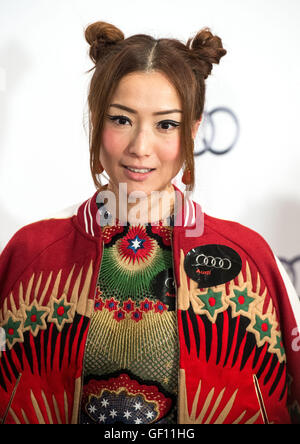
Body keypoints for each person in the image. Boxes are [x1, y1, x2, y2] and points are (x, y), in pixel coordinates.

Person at [0, 21, 299, 425]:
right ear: (96, 120)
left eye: (166, 124)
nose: (140, 147)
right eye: (121, 119)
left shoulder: (250, 258)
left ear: (193, 131)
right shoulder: (31, 253)